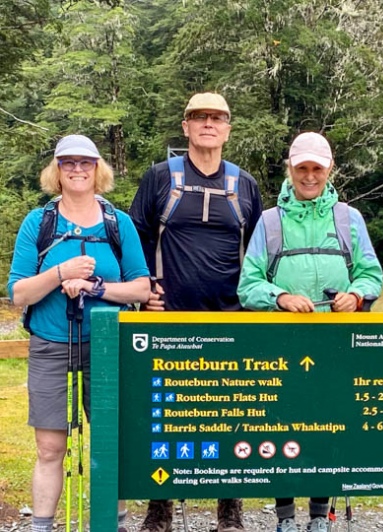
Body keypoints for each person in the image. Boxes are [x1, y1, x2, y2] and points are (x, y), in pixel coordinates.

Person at [237, 132, 383, 532]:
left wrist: (355, 295)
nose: (309, 176)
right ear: (290, 169)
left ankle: (320, 516)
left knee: (327, 426)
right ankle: (285, 516)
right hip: (281, 343)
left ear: (329, 169)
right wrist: (280, 296)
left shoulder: (348, 218)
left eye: (316, 168)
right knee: (282, 426)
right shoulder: (269, 221)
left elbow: (372, 275)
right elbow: (248, 285)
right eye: (301, 167)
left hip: (335, 343)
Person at [129, 92, 262, 532]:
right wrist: (143, 288)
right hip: (170, 320)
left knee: (233, 413)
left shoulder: (245, 185)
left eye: (217, 117)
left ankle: (230, 511)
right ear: (185, 126)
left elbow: (260, 251)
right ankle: (160, 509)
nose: (208, 123)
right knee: (167, 414)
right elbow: (133, 239)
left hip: (231, 318)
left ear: (228, 127)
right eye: (198, 117)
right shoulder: (159, 177)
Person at [8, 134, 151, 532]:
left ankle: (113, 523)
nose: (76, 169)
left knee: (109, 442)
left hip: (108, 346)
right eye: (68, 163)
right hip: (51, 343)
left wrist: (96, 288)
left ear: (97, 169)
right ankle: (42, 525)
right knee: (50, 446)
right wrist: (60, 274)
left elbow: (141, 287)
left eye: (84, 163)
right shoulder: (39, 223)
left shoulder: (117, 223)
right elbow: (18, 292)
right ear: (56, 170)